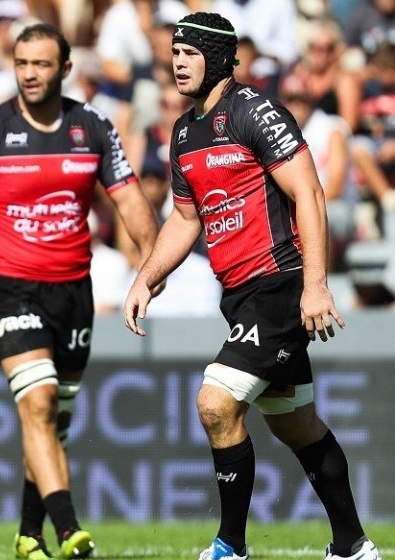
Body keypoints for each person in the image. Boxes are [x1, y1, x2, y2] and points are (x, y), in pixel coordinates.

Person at [123, 12, 381, 560]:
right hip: (240, 293)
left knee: (216, 403)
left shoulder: (255, 111)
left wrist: (315, 285)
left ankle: (230, 546)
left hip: (280, 284)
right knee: (298, 426)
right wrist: (147, 276)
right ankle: (354, 547)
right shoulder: (185, 130)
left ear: (217, 57)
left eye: (189, 52)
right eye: (174, 51)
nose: (177, 61)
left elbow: (310, 194)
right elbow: (186, 218)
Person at [0, 23, 160, 560]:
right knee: (35, 404)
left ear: (65, 68)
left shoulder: (93, 127)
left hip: (73, 292)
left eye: (40, 64)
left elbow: (129, 203)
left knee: (53, 422)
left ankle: (28, 534)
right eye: (21, 63)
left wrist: (152, 268)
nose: (29, 74)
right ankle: (70, 530)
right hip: (10, 289)